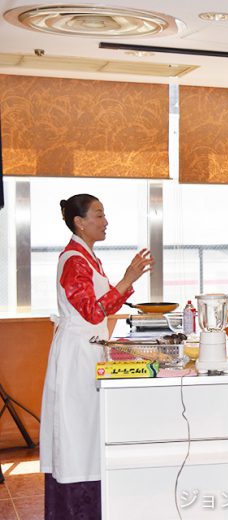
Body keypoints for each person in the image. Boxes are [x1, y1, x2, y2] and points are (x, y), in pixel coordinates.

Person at [39, 194, 153, 519]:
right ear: (80, 221)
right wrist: (128, 279)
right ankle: (76, 508)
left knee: (90, 432)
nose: (106, 222)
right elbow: (91, 312)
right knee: (79, 433)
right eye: (99, 215)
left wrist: (126, 282)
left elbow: (103, 304)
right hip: (77, 356)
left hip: (89, 349)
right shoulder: (74, 259)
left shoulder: (88, 257)